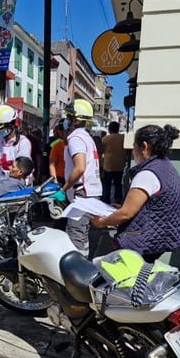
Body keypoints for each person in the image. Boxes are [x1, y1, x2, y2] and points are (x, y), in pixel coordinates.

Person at [91, 124, 180, 263]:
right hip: (159, 238)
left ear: (144, 147)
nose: (133, 152)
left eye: (134, 147)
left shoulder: (147, 174)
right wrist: (121, 208)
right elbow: (152, 204)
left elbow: (126, 213)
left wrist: (102, 222)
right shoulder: (166, 166)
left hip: (143, 240)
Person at [50, 99, 102, 256]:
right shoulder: (86, 137)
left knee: (75, 236)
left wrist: (63, 189)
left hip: (82, 193)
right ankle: (84, 266)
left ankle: (76, 275)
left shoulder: (76, 139)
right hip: (89, 192)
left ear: (76, 120)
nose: (66, 120)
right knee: (82, 235)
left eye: (68, 117)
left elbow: (80, 168)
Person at [101, 121, 125, 204]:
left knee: (107, 185)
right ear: (118, 129)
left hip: (108, 166)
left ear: (109, 129)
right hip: (120, 165)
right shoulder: (123, 138)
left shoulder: (105, 139)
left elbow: (101, 152)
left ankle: (106, 200)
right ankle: (118, 200)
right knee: (118, 184)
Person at [48, 120, 66, 185]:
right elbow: (51, 164)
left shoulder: (76, 145)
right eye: (60, 129)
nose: (61, 132)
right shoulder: (57, 145)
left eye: (63, 130)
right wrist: (55, 181)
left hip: (71, 178)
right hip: (60, 179)